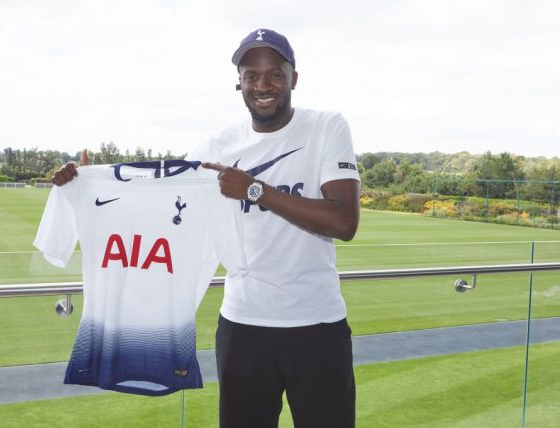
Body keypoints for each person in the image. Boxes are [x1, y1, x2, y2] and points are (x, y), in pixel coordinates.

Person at [52, 28, 360, 428]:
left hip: (318, 326)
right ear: (240, 84)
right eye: (251, 76)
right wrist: (89, 182)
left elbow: (344, 221)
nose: (262, 86)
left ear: (293, 79)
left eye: (275, 75)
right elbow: (159, 193)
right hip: (244, 327)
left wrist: (254, 189)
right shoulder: (219, 144)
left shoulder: (326, 127)